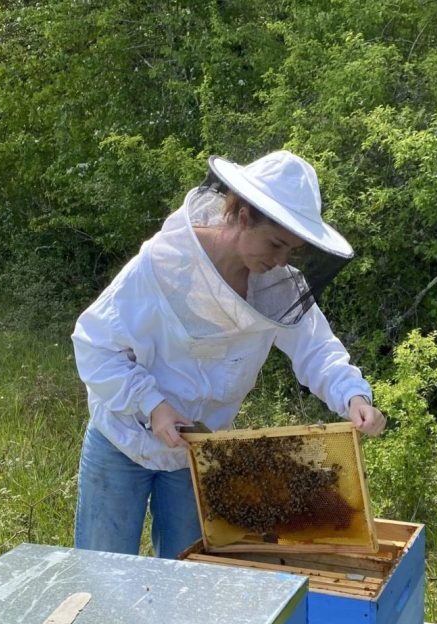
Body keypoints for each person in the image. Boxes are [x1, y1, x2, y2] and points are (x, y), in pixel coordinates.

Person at [72, 150, 386, 559]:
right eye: (276, 243)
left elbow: (316, 348)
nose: (281, 260)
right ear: (242, 216)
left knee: (188, 575)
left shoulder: (278, 287)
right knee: (103, 568)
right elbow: (94, 344)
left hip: (198, 452)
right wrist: (153, 405)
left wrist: (353, 397)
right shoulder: (164, 263)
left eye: (291, 250)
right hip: (123, 436)